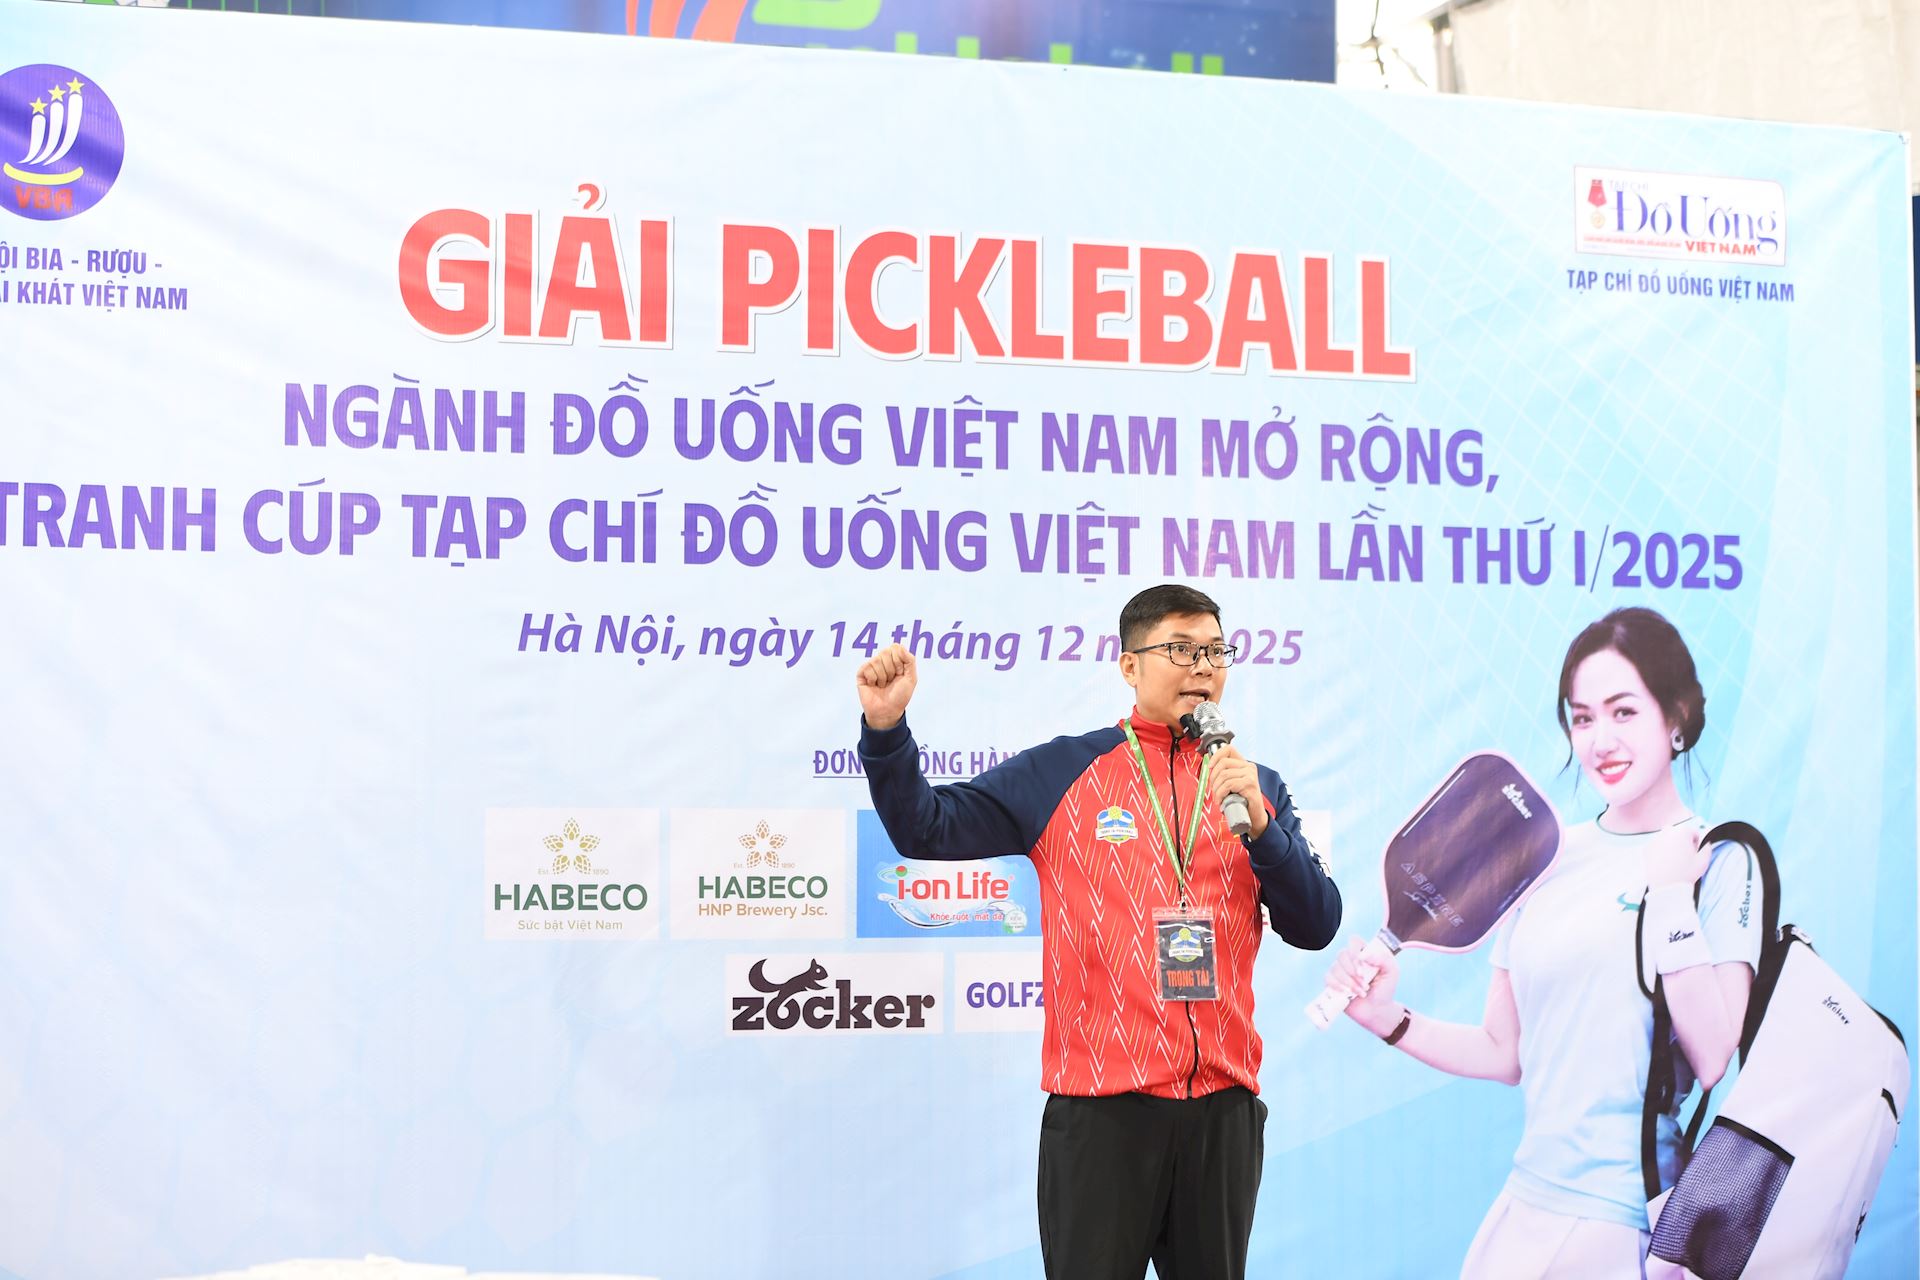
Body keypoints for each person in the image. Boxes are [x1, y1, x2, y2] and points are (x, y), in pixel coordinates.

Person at [856, 583, 1341, 1280]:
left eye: (1216, 652)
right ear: (1129, 665)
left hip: (1223, 1112)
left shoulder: (1254, 786)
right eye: (1181, 650)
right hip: (1103, 1115)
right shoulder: (1062, 771)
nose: (1203, 667)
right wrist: (886, 733)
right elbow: (925, 828)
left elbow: (1317, 923)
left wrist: (1264, 831)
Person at [1324, 606, 1762, 1279]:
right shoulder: (1546, 856)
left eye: (1623, 712)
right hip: (1523, 1206)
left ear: (1675, 717)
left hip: (1623, 1222)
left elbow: (1712, 1056)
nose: (1600, 740)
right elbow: (1505, 1053)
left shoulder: (1721, 859)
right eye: (1582, 719)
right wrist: (1388, 1019)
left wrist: (1673, 897)